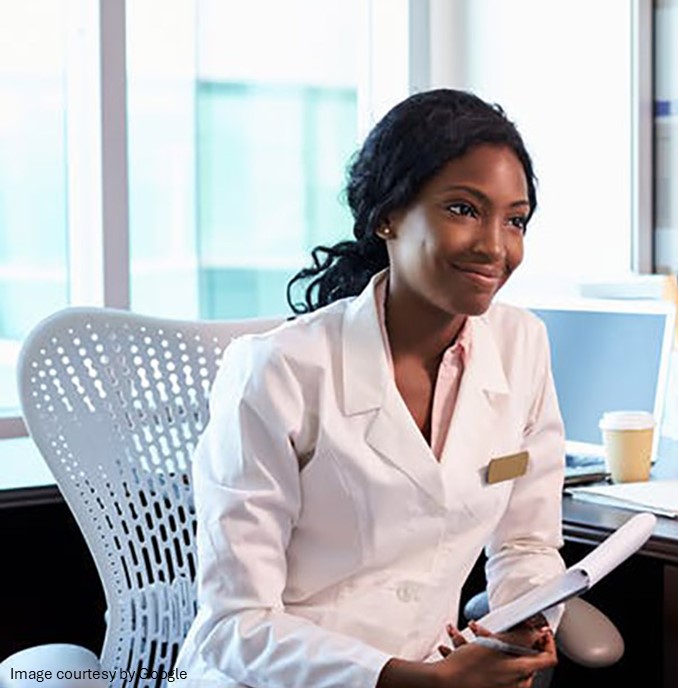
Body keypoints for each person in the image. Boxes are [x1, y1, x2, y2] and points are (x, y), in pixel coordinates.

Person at [175, 89, 565, 688]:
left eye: (514, 220)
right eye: (463, 209)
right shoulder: (278, 371)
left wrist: (525, 620)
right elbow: (235, 626)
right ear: (388, 216)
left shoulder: (522, 346)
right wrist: (414, 681)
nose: (495, 246)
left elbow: (527, 545)